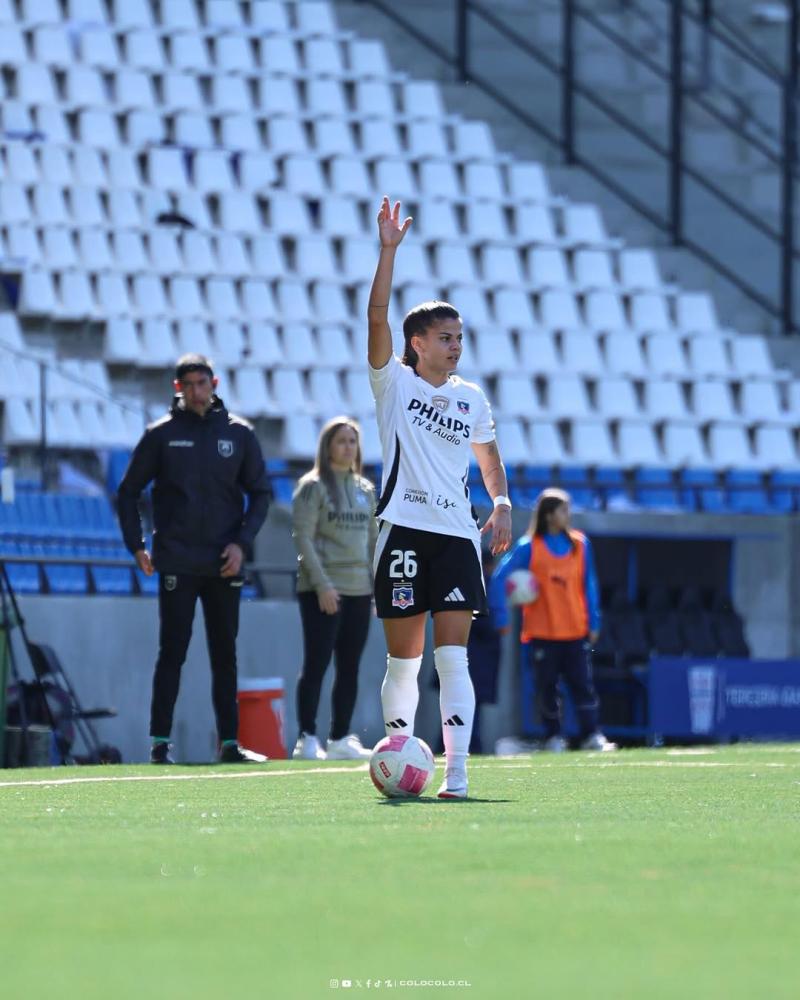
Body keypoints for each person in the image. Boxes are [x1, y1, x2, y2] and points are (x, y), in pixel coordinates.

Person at [368, 197, 513, 798]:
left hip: (456, 535)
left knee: (452, 659)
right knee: (403, 661)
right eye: (445, 337)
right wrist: (388, 251)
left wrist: (501, 502)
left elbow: (489, 461)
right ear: (416, 342)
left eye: (460, 336)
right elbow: (376, 314)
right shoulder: (393, 382)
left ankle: (456, 774)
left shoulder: (472, 397)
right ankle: (400, 756)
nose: (456, 346)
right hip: (402, 529)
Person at [117, 354, 272, 764]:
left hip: (224, 562)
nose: (196, 391)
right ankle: (159, 744)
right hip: (177, 561)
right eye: (188, 384)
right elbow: (128, 490)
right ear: (177, 388)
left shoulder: (239, 434)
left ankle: (229, 744)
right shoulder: (161, 435)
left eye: (202, 382)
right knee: (173, 651)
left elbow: (261, 493)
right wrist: (136, 545)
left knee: (225, 653)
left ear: (215, 383)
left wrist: (242, 543)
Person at [489, 488, 617, 752]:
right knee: (547, 688)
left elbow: (589, 585)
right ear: (548, 515)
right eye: (563, 510)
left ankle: (591, 735)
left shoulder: (580, 545)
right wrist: (501, 616)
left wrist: (593, 622)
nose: (567, 515)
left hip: (574, 630)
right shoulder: (529, 547)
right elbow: (500, 577)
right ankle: (553, 737)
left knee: (582, 685)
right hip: (542, 632)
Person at [291, 416, 377, 761]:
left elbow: (373, 543)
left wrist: (375, 587)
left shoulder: (366, 490)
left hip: (359, 590)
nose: (347, 447)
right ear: (327, 446)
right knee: (317, 662)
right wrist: (323, 586)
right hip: (322, 590)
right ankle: (307, 738)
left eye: (352, 441)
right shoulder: (312, 487)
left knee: (350, 665)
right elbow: (304, 539)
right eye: (340, 441)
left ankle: (340, 737)